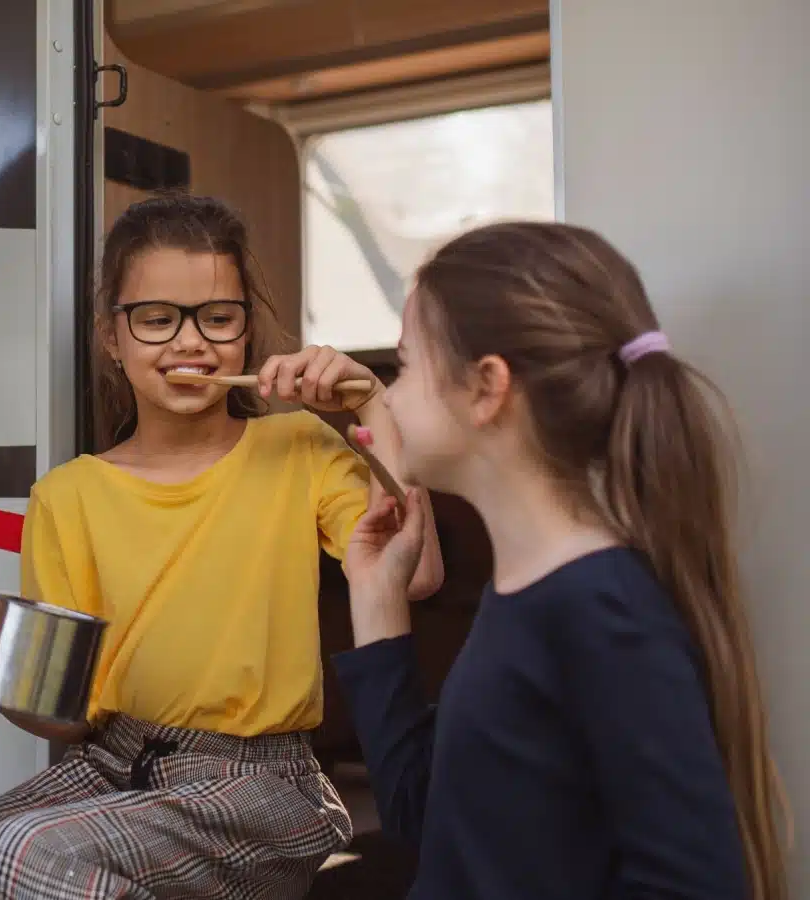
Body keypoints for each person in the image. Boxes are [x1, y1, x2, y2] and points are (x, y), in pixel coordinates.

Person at [0, 194, 444, 899]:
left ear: (247, 334)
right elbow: (65, 715)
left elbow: (418, 573)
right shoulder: (69, 495)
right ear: (112, 339)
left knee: (30, 853)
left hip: (264, 783)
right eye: (157, 320)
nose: (191, 343)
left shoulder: (297, 446)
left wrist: (370, 403)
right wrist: (3, 678)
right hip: (114, 762)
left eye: (218, 318)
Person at [336, 221, 788, 899]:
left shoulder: (601, 608)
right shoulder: (526, 590)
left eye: (405, 366)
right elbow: (432, 824)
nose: (390, 395)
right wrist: (377, 601)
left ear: (486, 387)